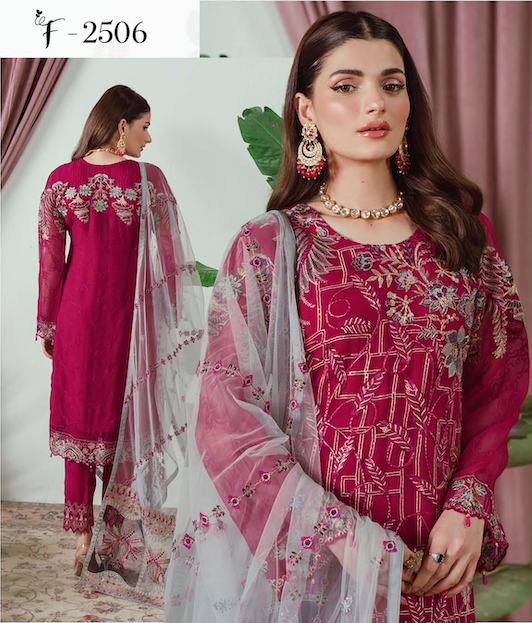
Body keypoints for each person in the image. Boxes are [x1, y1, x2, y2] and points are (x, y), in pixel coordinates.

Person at [164, 11, 529, 623]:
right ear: (306, 110)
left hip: (434, 560)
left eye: (391, 84)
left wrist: (468, 505)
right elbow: (225, 416)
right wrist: (342, 538)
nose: (374, 102)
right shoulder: (270, 246)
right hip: (320, 563)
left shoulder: (463, 238)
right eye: (346, 85)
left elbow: (496, 387)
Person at [37, 85, 204, 604]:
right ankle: (111, 544)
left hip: (77, 319)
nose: (149, 138)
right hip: (128, 321)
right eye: (144, 126)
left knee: (82, 421)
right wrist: (171, 315)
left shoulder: (60, 181)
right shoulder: (148, 181)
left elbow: (50, 264)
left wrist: (48, 325)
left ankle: (83, 540)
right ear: (121, 126)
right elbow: (171, 256)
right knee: (122, 422)